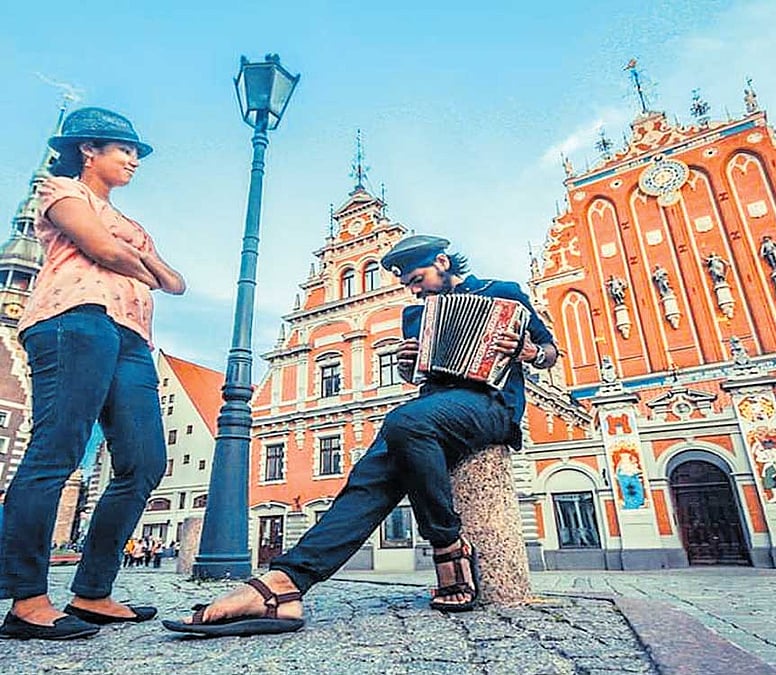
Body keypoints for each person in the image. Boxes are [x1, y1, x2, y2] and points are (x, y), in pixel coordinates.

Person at [163, 234, 558, 638]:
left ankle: (447, 545)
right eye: (407, 284)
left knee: (404, 423)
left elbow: (549, 351)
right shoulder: (416, 315)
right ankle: (286, 584)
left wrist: (529, 352)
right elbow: (418, 375)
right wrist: (409, 365)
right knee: (365, 484)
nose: (413, 289)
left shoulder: (504, 293)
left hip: (491, 406)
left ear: (442, 261)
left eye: (417, 278)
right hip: (432, 411)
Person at [0, 107, 185, 640]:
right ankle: (27, 598)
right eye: (124, 150)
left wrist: (135, 259)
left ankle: (92, 593)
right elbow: (103, 249)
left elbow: (175, 283)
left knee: (145, 460)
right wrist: (134, 260)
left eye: (135, 153)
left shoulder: (133, 224)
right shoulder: (60, 191)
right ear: (89, 150)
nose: (133, 160)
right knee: (56, 449)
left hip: (131, 336)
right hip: (71, 318)